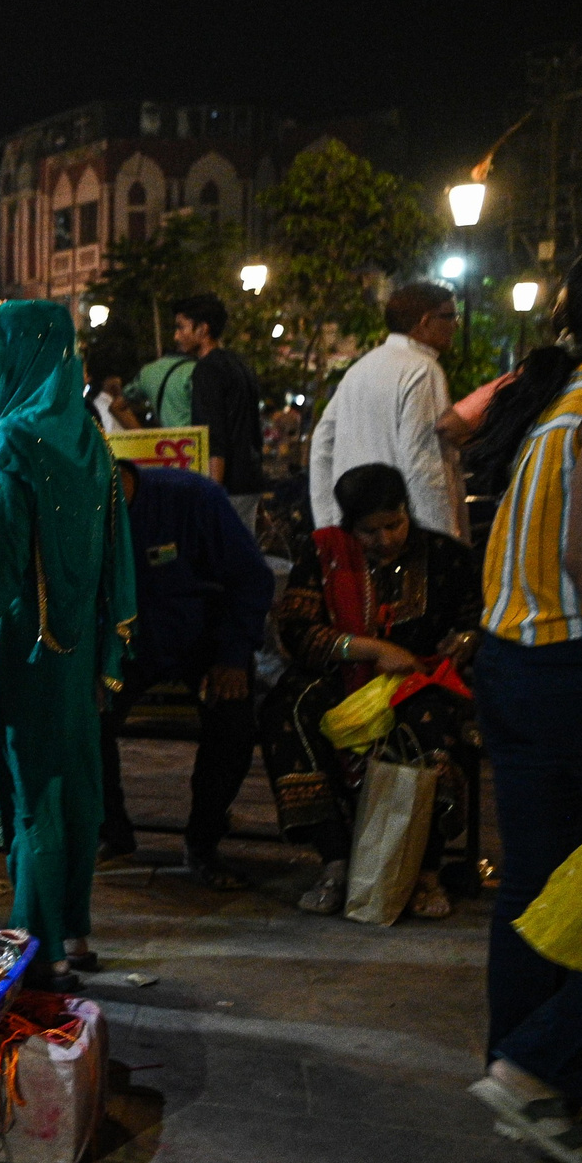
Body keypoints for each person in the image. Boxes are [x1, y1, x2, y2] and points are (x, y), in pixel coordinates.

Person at [462, 227, 582, 1163]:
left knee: (537, 884)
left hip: (515, 662)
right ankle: (542, 1064)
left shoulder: (567, 397)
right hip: (581, 666)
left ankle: (523, 1070)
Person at [0, 300, 137, 992]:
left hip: (23, 648)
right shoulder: (89, 439)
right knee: (75, 786)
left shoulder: (9, 441)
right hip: (79, 646)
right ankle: (75, 932)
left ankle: (39, 950)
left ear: (14, 358)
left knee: (33, 792)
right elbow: (115, 553)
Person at [261, 462, 481, 917]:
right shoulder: (325, 554)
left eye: (393, 524)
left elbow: (477, 619)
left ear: (407, 511)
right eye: (369, 531)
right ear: (349, 526)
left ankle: (426, 870)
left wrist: (463, 642)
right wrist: (373, 649)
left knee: (430, 722)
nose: (384, 539)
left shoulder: (446, 557)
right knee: (291, 706)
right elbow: (298, 631)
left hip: (421, 680)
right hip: (343, 675)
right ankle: (336, 862)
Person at [99, 459, 275, 891]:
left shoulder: (193, 497)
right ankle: (111, 831)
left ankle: (204, 840)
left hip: (206, 637)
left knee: (233, 722)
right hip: (128, 642)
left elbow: (253, 578)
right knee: (83, 718)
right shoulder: (79, 516)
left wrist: (232, 655)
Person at [306, 281, 466, 541]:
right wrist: (440, 538)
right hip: (397, 532)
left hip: (356, 527)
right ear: (426, 321)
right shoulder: (422, 369)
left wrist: (328, 526)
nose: (455, 325)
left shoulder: (359, 368)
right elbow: (423, 461)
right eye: (450, 316)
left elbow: (322, 445)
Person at [172, 292, 267, 526]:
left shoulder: (207, 370)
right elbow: (254, 429)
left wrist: (212, 494)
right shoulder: (239, 365)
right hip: (250, 481)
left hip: (228, 486)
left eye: (181, 327)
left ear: (202, 329)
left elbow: (213, 435)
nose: (176, 336)